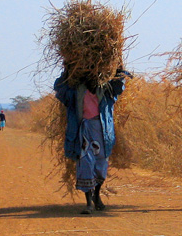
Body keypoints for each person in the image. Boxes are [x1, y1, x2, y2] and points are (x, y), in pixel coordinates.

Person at [54, 68, 129, 214]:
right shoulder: (76, 92)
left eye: (95, 78)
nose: (92, 81)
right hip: (84, 131)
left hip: (102, 132)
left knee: (101, 165)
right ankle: (88, 203)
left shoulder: (107, 92)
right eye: (88, 78)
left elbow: (119, 87)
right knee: (85, 164)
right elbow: (60, 90)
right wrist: (66, 73)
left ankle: (96, 194)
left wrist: (120, 72)